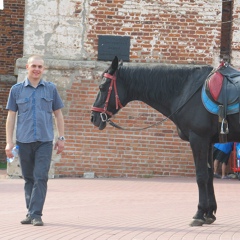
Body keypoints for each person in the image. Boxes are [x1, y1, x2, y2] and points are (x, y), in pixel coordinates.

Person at [5, 55, 65, 226]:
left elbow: (58, 114)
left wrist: (61, 138)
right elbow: (11, 117)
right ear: (27, 67)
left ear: (43, 69)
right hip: (24, 141)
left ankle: (36, 214)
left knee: (41, 177)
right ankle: (30, 212)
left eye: (40, 66)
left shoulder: (50, 89)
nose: (37, 69)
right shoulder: (16, 90)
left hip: (45, 141)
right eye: (34, 66)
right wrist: (9, 142)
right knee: (29, 178)